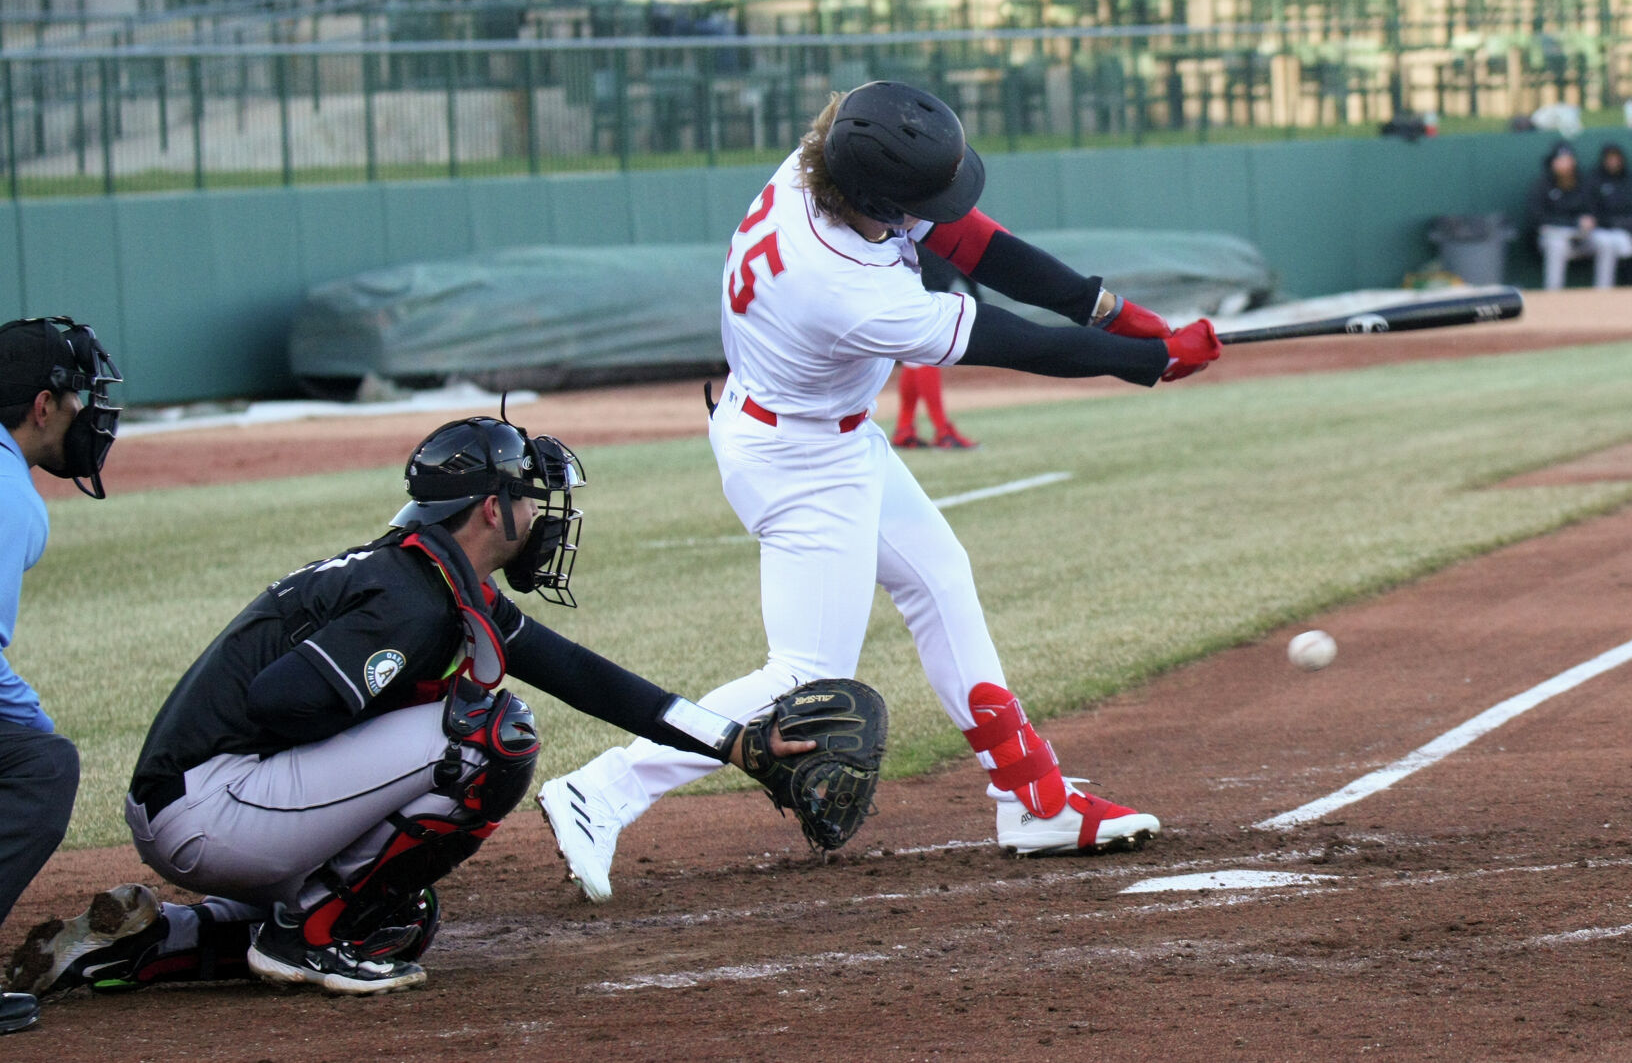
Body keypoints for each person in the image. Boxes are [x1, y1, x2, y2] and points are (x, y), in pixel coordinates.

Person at [540, 83, 1220, 901]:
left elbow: (971, 241)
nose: (933, 211)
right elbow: (1007, 337)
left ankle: (1031, 795)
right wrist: (1143, 360)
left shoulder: (821, 162)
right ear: (873, 199)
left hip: (824, 429)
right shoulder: (846, 286)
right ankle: (604, 788)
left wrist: (1109, 309)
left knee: (940, 577)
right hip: (797, 458)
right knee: (804, 677)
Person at [6, 417, 815, 1000]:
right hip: (214, 804)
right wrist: (393, 708)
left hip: (208, 799)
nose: (541, 516)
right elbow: (278, 697)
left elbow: (584, 675)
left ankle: (155, 941)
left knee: (396, 912)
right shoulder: (407, 598)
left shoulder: (428, 574)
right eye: (529, 498)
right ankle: (307, 935)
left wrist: (735, 741)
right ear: (490, 508)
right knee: (489, 736)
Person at [0, 318, 120, 1037]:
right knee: (41, 767)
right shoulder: (11, 497)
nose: (89, 416)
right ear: (43, 407)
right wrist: (35, 724)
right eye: (78, 400)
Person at [894, 245, 977, 449]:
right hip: (919, 294)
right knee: (926, 357)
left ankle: (904, 429)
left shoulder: (942, 218)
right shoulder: (915, 219)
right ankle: (942, 431)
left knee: (914, 362)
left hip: (927, 294)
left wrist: (974, 289)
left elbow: (960, 256)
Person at [1529, 142, 1603, 291]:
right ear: (1553, 163)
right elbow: (1536, 218)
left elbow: (1594, 211)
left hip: (1581, 235)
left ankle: (1604, 292)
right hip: (1553, 235)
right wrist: (1573, 222)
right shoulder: (1542, 185)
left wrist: (1589, 221)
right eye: (1560, 160)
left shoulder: (1584, 182)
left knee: (1605, 242)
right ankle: (1554, 293)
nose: (1565, 165)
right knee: (1556, 244)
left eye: (1568, 160)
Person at [1587, 144, 1632, 290]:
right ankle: (1603, 290)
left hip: (1627, 229)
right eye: (1610, 159)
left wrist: (1629, 224)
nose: (1613, 162)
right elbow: (1592, 212)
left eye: (1616, 158)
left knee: (1625, 242)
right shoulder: (1594, 180)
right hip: (1600, 230)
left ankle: (1628, 288)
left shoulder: (1629, 180)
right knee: (1609, 242)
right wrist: (1609, 222)